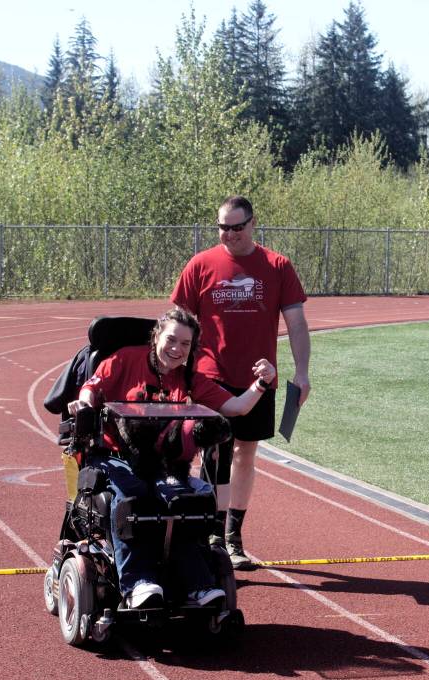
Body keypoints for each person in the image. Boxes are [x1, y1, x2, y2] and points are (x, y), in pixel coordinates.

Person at [71, 307, 277, 609]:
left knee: (185, 501)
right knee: (133, 496)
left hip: (160, 461)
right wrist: (85, 404)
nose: (177, 349)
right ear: (157, 336)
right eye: (171, 340)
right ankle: (136, 583)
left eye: (185, 344)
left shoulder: (189, 377)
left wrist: (262, 383)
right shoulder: (126, 358)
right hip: (113, 456)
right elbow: (92, 389)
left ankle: (197, 585)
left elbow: (236, 407)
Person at [171, 195, 311, 569]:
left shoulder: (277, 266)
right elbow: (176, 324)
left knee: (246, 453)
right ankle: (212, 533)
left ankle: (233, 535)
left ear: (252, 224)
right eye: (222, 227)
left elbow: (296, 323)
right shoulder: (201, 265)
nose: (228, 235)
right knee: (215, 452)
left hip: (259, 379)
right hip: (209, 376)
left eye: (236, 227)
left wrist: (301, 372)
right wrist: (174, 370)